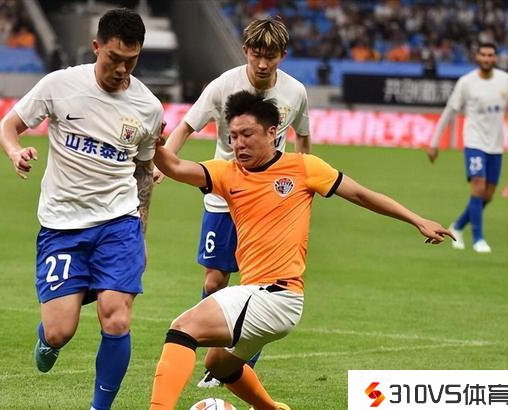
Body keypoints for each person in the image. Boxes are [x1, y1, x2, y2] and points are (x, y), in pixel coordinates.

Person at [149, 91, 452, 410]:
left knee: (182, 328)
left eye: (247, 134)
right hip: (259, 295)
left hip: (276, 295)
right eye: (233, 136)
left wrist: (417, 220)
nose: (238, 144)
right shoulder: (227, 173)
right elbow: (175, 166)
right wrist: (156, 146)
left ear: (272, 132)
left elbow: (361, 195)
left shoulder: (304, 168)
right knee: (219, 364)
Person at [0, 9, 162, 410]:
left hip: (118, 222)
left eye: (131, 61)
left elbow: (144, 171)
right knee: (59, 331)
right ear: (96, 47)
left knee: (116, 316)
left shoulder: (148, 107)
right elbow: (7, 126)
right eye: (114, 58)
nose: (121, 70)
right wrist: (15, 152)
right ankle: (51, 334)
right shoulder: (60, 85)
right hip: (62, 225)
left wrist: (141, 232)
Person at [153, 17, 311, 388]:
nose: (262, 63)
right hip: (225, 194)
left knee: (263, 285)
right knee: (214, 281)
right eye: (256, 54)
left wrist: (303, 180)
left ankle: (237, 364)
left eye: (271, 56)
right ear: (245, 51)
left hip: (271, 200)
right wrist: (165, 164)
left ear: (282, 55)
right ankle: (216, 352)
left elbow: (303, 137)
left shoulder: (295, 92)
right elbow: (186, 126)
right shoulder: (223, 85)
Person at [427, 42, 507, 253]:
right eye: (483, 55)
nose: (487, 58)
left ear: (495, 58)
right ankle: (478, 239)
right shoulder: (467, 82)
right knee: (478, 187)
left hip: (496, 145)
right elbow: (449, 111)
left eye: (490, 55)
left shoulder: (504, 80)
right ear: (477, 57)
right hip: (474, 142)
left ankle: (458, 226)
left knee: (487, 195)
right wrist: (434, 142)